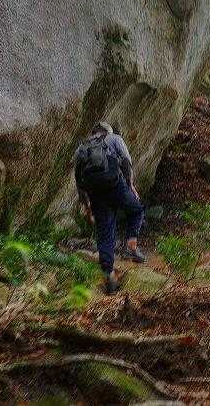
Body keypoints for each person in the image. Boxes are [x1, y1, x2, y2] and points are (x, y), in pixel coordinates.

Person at [74, 122, 146, 294]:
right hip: (116, 186)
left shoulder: (81, 148)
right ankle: (131, 248)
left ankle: (110, 275)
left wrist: (87, 206)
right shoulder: (114, 138)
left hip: (95, 193)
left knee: (105, 233)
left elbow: (79, 180)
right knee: (136, 210)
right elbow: (126, 162)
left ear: (93, 133)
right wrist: (130, 185)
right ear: (107, 131)